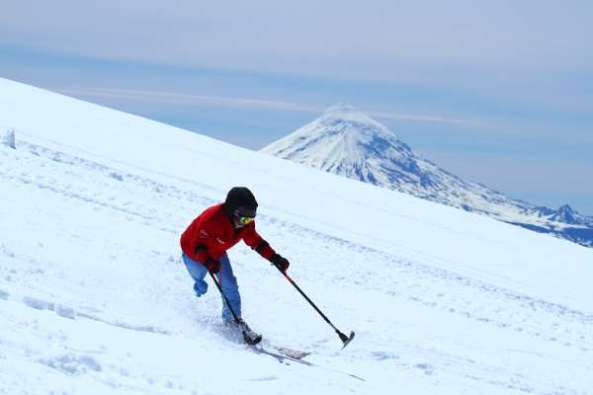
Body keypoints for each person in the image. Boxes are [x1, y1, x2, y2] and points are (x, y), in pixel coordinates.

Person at [180, 186, 290, 331]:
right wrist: (207, 261)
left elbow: (255, 241)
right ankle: (199, 287)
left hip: (217, 253)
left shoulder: (245, 223)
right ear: (232, 210)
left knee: (230, 285)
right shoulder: (211, 219)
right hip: (192, 253)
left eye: (251, 217)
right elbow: (198, 246)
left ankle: (232, 322)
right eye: (244, 217)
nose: (246, 222)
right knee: (200, 281)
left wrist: (274, 258)